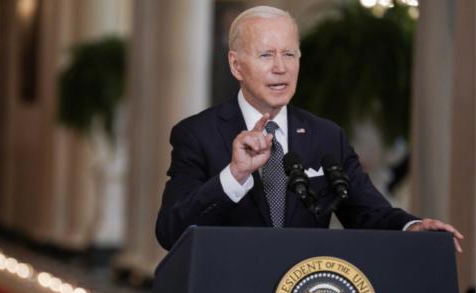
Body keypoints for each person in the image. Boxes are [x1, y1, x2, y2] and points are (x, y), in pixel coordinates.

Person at [155, 6, 463, 252]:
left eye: (289, 54)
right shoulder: (197, 134)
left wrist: (411, 227)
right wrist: (234, 175)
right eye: (266, 55)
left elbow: (368, 212)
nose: (281, 67)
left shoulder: (327, 136)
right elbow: (171, 231)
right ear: (236, 66)